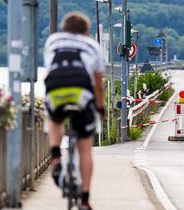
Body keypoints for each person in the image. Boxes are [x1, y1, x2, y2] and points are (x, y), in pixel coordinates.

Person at [43, 12, 105, 210]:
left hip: (56, 88)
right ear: (86, 31)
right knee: (85, 148)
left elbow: (51, 68)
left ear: (64, 28)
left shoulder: (53, 40)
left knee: (55, 119)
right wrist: (100, 108)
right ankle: (85, 199)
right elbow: (98, 85)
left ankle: (55, 156)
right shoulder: (93, 45)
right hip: (81, 91)